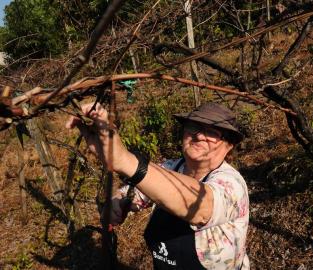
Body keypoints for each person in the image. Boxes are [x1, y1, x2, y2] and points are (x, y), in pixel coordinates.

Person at [66, 102, 250, 269]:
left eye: (212, 132)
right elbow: (135, 192)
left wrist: (123, 160)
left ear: (229, 145)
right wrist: (119, 201)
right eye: (194, 126)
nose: (199, 135)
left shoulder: (232, 183)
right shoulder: (170, 167)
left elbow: (201, 208)